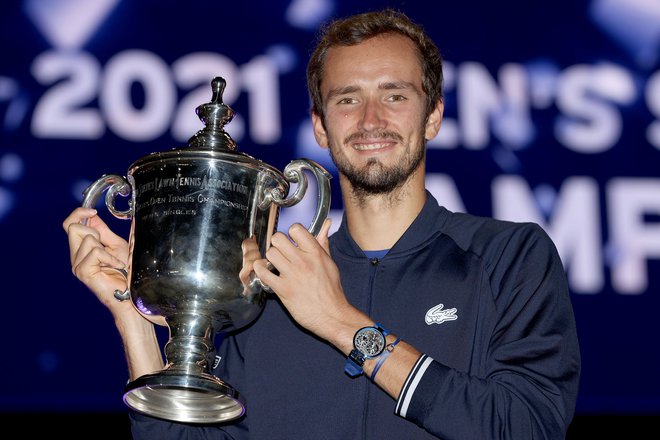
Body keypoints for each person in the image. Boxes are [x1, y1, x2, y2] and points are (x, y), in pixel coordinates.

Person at [63, 8, 580, 440]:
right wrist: (132, 312)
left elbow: (528, 425)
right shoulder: (263, 290)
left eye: (395, 95)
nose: (371, 119)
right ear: (320, 127)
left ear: (434, 116)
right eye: (347, 98)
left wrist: (340, 322)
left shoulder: (509, 256)